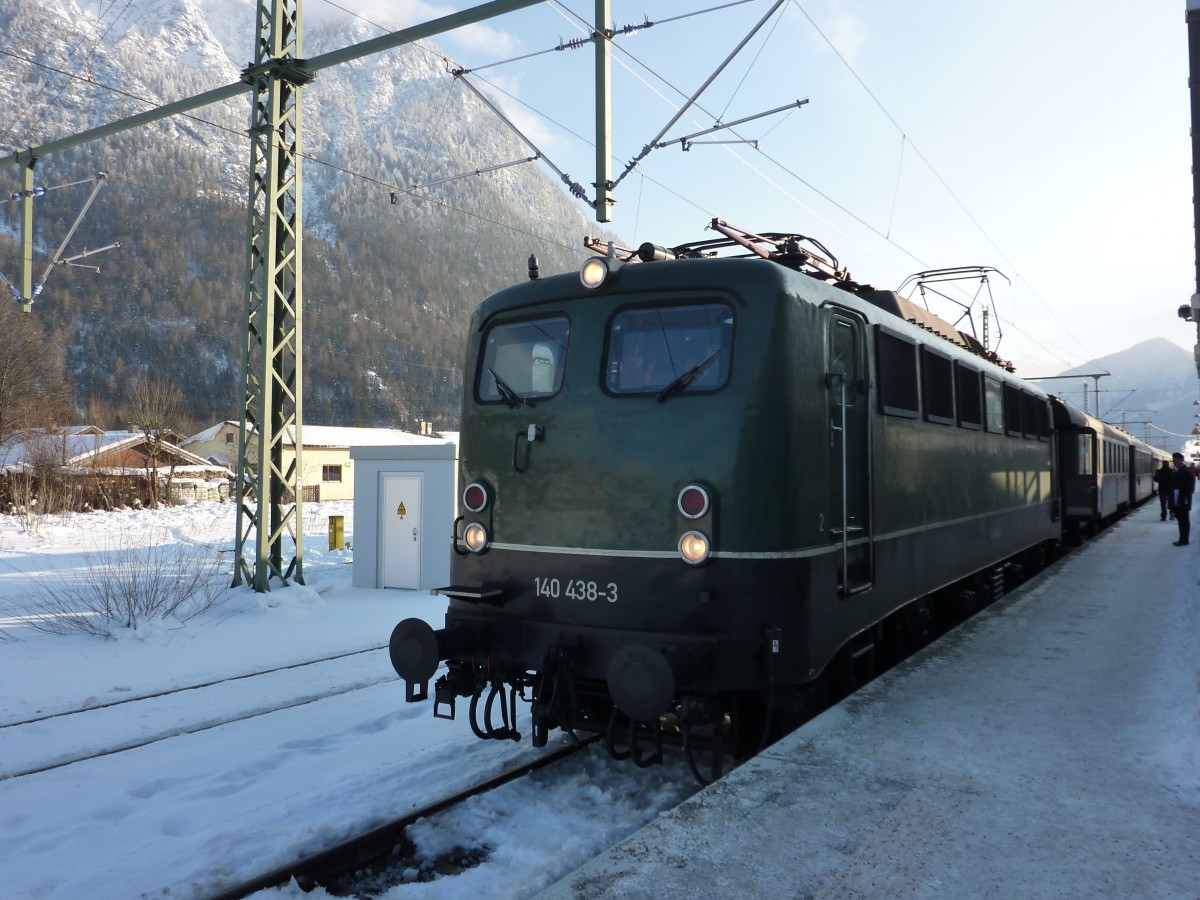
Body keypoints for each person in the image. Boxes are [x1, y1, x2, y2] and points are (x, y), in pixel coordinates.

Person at [1168, 452, 1195, 546]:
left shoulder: (1184, 472)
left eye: (1177, 460)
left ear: (1181, 460)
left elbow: (1186, 488)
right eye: (1174, 460)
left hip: (1182, 501)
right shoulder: (1181, 471)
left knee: (1183, 520)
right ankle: (1183, 539)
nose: (1175, 462)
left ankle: (1184, 540)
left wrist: (1180, 501)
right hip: (1180, 500)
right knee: (1182, 520)